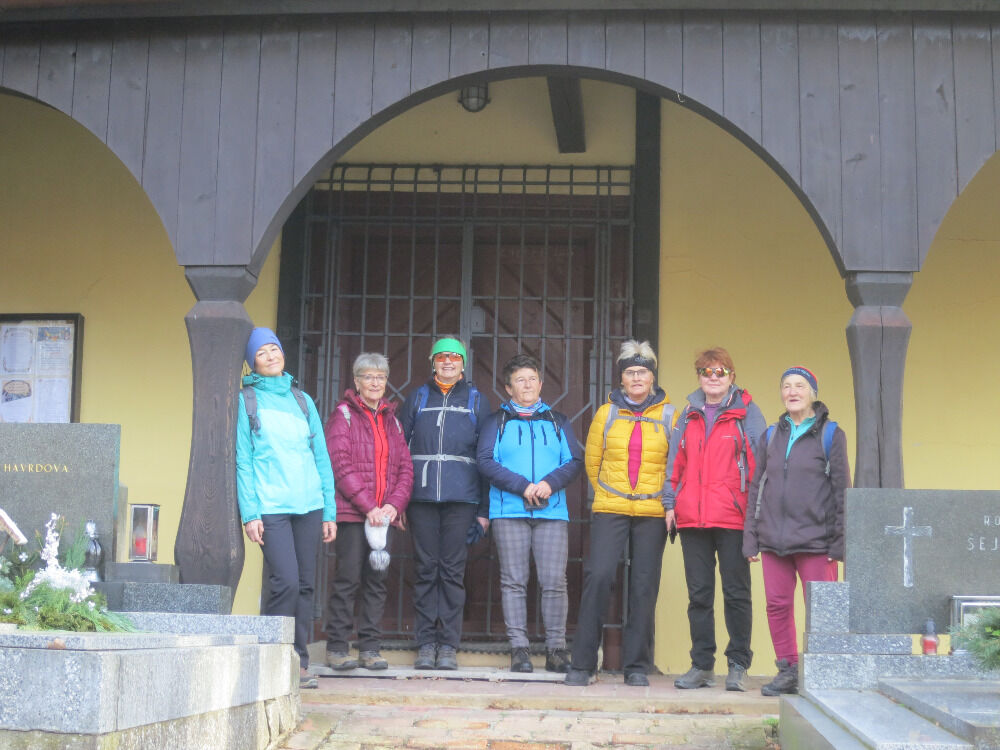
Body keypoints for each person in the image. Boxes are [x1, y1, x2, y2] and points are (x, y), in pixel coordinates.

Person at [564, 340, 676, 687]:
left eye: (643, 372)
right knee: (598, 576)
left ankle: (636, 666)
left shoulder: (670, 415)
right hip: (611, 506)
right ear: (622, 378)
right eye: (630, 373)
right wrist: (607, 492)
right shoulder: (606, 413)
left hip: (652, 510)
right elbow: (592, 460)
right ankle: (583, 663)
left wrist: (668, 503)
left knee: (644, 584)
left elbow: (676, 464)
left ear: (652, 377)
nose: (637, 378)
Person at [236, 327, 337, 690]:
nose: (271, 356)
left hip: (309, 503)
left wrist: (329, 510)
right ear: (252, 362)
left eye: (274, 349)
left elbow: (321, 457)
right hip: (271, 505)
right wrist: (250, 513)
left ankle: (298, 661)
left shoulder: (302, 400)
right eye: (261, 352)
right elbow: (243, 460)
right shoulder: (246, 400)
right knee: (286, 582)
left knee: (306, 585)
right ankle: (272, 660)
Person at [743, 366, 850, 696]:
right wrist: (751, 537)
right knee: (777, 606)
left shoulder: (831, 434)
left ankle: (824, 672)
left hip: (817, 541)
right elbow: (757, 486)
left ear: (812, 393)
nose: (792, 391)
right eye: (787, 386)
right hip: (774, 540)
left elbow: (842, 491)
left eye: (800, 386)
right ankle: (788, 670)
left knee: (822, 609)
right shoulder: (770, 436)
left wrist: (840, 543)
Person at [666, 347, 766, 692]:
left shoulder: (747, 412)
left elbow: (760, 466)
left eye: (719, 371)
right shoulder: (688, 414)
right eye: (705, 372)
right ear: (699, 377)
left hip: (733, 517)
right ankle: (702, 665)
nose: (712, 377)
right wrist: (670, 503)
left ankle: (738, 664)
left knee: (736, 593)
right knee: (699, 595)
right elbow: (674, 463)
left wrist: (756, 515)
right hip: (692, 518)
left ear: (731, 376)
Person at [477, 354, 584, 673]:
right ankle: (519, 650)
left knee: (554, 582)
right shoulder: (496, 422)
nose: (527, 385)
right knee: (513, 581)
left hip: (551, 511)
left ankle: (556, 650)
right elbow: (485, 460)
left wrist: (549, 484)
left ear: (540, 384)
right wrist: (522, 486)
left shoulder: (558, 421)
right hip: (508, 510)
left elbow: (574, 460)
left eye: (532, 379)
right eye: (519, 380)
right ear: (508, 388)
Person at [401, 336, 490, 670]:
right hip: (421, 498)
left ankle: (449, 646)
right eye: (441, 357)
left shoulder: (477, 400)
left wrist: (483, 510)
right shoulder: (417, 398)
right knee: (425, 569)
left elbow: (486, 456)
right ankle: (426, 644)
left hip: (462, 498)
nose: (448, 362)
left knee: (452, 572)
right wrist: (399, 501)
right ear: (433, 362)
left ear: (463, 363)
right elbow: (400, 451)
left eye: (454, 357)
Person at [324, 353, 413, 671]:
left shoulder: (393, 420)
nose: (375, 383)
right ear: (356, 381)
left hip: (383, 519)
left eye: (380, 377)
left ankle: (370, 649)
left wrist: (393, 506)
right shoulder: (343, 416)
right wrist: (369, 506)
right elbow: (340, 464)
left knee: (377, 582)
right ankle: (337, 648)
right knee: (347, 580)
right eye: (368, 376)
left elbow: (405, 468)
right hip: (352, 515)